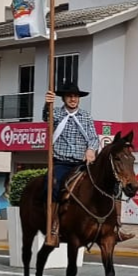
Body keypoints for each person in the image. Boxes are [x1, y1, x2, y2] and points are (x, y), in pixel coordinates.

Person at [41, 80, 102, 235]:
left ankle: (111, 225)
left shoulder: (86, 116)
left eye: (75, 96)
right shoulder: (56, 113)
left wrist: (91, 150)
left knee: (107, 183)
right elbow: (46, 117)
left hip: (82, 163)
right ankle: (53, 221)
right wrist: (47, 103)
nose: (73, 99)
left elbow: (93, 138)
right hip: (62, 162)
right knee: (52, 185)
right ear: (64, 98)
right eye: (69, 96)